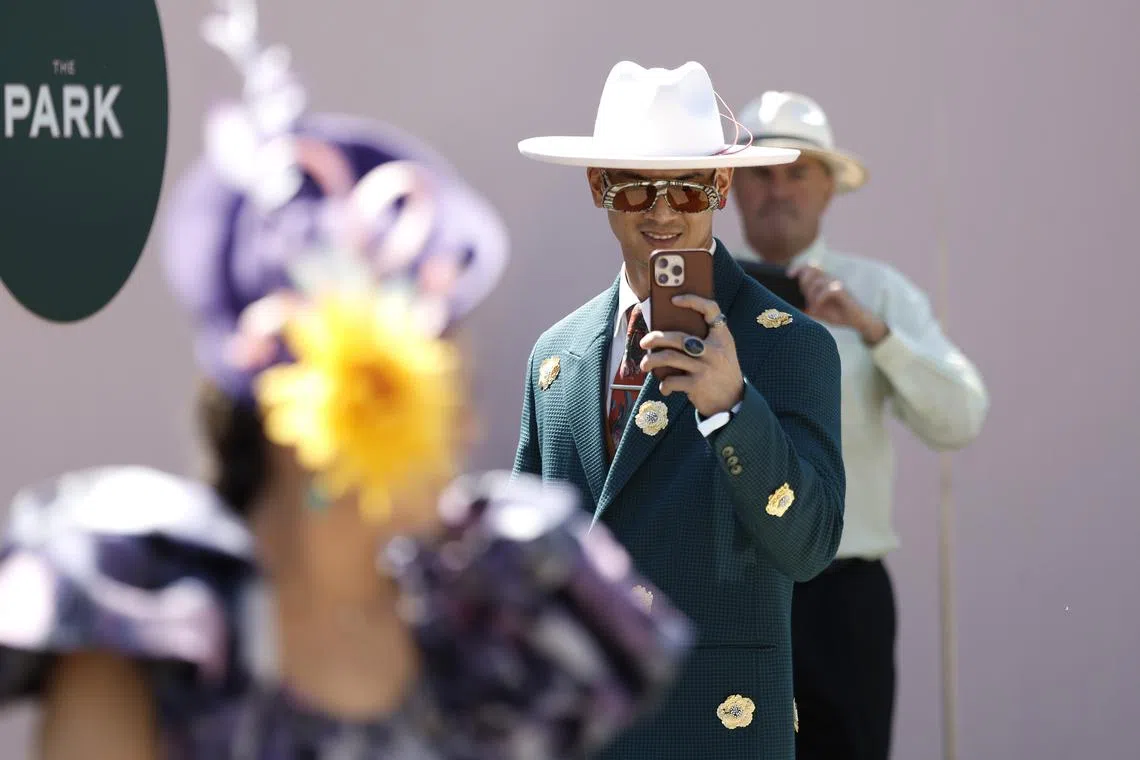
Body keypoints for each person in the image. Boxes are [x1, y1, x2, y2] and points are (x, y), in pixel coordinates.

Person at [0, 4, 695, 758]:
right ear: (347, 388)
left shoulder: (493, 645)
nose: (466, 431)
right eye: (437, 384)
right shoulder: (150, 643)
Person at [513, 61, 847, 760]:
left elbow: (812, 546)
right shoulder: (557, 355)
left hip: (715, 729)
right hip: (589, 732)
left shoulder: (792, 349)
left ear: (722, 188)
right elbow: (531, 569)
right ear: (598, 187)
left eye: (688, 188)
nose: (664, 213)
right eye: (636, 191)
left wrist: (733, 409)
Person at [732, 90, 990, 760]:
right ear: (730, 185)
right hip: (731, 589)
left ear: (829, 188)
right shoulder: (695, 293)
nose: (778, 189)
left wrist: (877, 334)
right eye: (761, 170)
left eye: (798, 171)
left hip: (842, 597)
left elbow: (960, 419)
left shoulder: (877, 294)